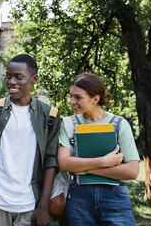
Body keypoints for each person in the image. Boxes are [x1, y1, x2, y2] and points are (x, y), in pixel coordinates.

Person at [0, 54, 61, 226]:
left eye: (19, 77)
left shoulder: (49, 116)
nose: (11, 82)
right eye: (8, 76)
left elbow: (51, 162)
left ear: (34, 79)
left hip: (30, 203)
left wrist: (43, 206)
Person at [58, 73, 140, 225]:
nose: (71, 101)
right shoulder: (68, 124)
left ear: (95, 99)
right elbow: (64, 163)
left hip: (115, 200)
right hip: (79, 200)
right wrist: (104, 161)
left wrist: (82, 169)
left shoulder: (120, 124)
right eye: (71, 96)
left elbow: (132, 171)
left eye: (78, 97)